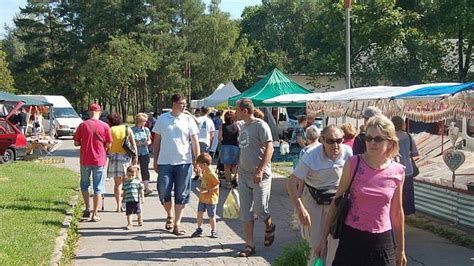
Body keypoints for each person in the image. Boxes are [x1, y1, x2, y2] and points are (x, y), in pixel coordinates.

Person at [315, 115, 407, 266]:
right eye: (368, 137)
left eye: (378, 139)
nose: (371, 142)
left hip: (383, 241)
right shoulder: (353, 164)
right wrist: (322, 239)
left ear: (390, 143)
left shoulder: (398, 171)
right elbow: (336, 203)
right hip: (353, 238)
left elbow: (397, 212)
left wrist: (401, 249)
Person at [287, 125, 352, 266]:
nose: (335, 145)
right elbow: (292, 183)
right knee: (315, 245)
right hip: (314, 200)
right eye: (330, 141)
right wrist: (300, 209)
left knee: (336, 244)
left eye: (339, 140)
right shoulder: (311, 155)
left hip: (336, 200)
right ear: (322, 140)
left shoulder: (348, 152)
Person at [152, 93, 200, 236]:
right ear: (174, 104)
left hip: (184, 163)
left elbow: (195, 142)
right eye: (181, 103)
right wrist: (155, 160)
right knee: (163, 191)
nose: (184, 106)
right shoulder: (162, 119)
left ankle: (177, 224)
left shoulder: (188, 120)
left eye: (185, 103)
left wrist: (197, 161)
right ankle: (170, 215)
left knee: (182, 194)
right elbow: (156, 141)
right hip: (165, 162)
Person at [235, 98, 276, 257]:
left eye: (237, 110)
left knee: (260, 209)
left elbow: (270, 148)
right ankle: (249, 245)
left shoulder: (261, 125)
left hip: (260, 175)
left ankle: (269, 225)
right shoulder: (243, 126)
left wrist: (260, 170)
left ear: (244, 111)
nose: (235, 112)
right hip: (244, 174)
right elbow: (245, 150)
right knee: (245, 212)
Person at [73, 103, 112, 222]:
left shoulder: (82, 125)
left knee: (84, 184)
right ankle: (95, 214)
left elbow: (76, 143)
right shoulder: (105, 126)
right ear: (99, 113)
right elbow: (109, 144)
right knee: (98, 187)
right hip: (99, 160)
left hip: (85, 159)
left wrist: (84, 143)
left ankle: (87, 208)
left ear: (89, 112)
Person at [107, 112, 138, 212]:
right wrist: (135, 156)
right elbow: (133, 144)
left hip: (113, 158)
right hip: (125, 158)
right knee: (126, 182)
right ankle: (125, 203)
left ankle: (118, 205)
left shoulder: (109, 130)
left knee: (117, 184)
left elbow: (107, 144)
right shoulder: (127, 129)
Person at [392, 115, 419, 216]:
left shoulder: (390, 137)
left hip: (394, 170)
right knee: (407, 195)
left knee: (396, 195)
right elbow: (415, 153)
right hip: (408, 169)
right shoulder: (408, 136)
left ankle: (397, 214)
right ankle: (407, 215)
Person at [191, 153, 220, 238]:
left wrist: (208, 191)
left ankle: (213, 230)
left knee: (211, 216)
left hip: (210, 199)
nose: (199, 167)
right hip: (203, 198)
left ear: (204, 164)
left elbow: (217, 185)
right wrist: (200, 174)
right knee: (199, 213)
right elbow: (204, 180)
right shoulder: (205, 171)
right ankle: (199, 228)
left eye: (200, 165)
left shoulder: (211, 173)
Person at [132, 113, 153, 196]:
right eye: (144, 121)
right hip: (135, 153)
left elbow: (150, 140)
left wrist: (148, 142)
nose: (145, 123)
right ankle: (134, 187)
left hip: (144, 152)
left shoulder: (146, 130)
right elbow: (130, 140)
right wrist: (137, 143)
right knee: (134, 169)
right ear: (139, 121)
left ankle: (146, 188)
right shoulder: (132, 130)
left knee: (145, 170)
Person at [219, 110, 240, 189]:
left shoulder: (222, 126)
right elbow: (239, 137)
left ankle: (228, 182)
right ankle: (234, 180)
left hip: (225, 146)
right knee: (234, 165)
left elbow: (219, 137)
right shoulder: (237, 126)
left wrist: (221, 142)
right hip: (235, 146)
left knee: (226, 166)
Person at [194, 106, 215, 180]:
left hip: (196, 140)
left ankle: (197, 172)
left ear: (201, 111)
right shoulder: (210, 121)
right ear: (208, 112)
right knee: (204, 159)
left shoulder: (197, 119)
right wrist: (211, 143)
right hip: (206, 141)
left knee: (196, 158)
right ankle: (203, 174)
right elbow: (212, 134)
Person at [122, 165, 144, 230]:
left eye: (132, 175)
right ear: (126, 174)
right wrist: (123, 199)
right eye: (129, 175)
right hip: (128, 200)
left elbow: (141, 190)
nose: (131, 177)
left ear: (135, 175)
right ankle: (129, 223)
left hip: (136, 200)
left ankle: (139, 219)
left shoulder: (137, 182)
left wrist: (142, 197)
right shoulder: (126, 183)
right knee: (128, 212)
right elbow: (124, 192)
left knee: (138, 211)